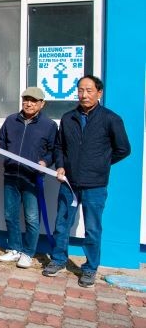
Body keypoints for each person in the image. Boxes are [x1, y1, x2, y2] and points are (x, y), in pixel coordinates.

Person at [43, 75, 130, 287]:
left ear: (99, 93)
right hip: (69, 183)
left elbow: (123, 149)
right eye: (81, 90)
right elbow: (59, 147)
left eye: (89, 90)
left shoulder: (111, 119)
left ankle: (90, 268)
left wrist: (101, 164)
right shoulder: (68, 118)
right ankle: (58, 259)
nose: (84, 95)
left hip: (95, 185)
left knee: (92, 228)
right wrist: (60, 165)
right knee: (62, 224)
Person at [0, 87, 57, 269]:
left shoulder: (49, 125)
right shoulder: (11, 120)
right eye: (26, 100)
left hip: (32, 178)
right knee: (10, 215)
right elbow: (2, 141)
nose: (29, 103)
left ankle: (28, 253)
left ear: (42, 104)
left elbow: (54, 150)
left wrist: (45, 162)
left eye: (34, 101)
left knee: (32, 218)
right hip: (11, 175)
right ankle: (14, 248)